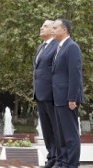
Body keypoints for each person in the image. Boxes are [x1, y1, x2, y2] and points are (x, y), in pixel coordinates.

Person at [51, 19, 84, 168]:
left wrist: (72, 98)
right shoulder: (59, 47)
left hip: (67, 99)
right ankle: (63, 162)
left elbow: (75, 74)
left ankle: (72, 164)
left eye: (55, 28)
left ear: (64, 30)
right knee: (61, 135)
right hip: (58, 98)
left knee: (70, 136)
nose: (52, 30)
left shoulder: (72, 47)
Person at [33, 20, 58, 168]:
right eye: (41, 25)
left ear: (53, 30)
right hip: (40, 94)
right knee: (46, 129)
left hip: (52, 94)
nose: (41, 28)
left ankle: (59, 159)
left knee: (55, 129)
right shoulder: (41, 47)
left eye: (45, 26)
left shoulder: (56, 47)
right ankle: (51, 157)